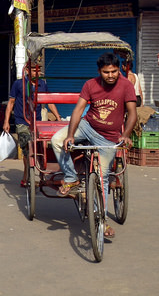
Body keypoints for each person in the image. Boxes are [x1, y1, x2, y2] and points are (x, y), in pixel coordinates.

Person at [51, 52, 138, 234]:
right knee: (57, 140)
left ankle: (102, 221)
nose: (111, 75)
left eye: (114, 71)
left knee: (102, 177)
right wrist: (70, 134)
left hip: (109, 137)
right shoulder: (91, 84)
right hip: (88, 125)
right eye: (106, 72)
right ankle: (71, 178)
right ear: (100, 71)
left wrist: (126, 134)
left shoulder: (126, 86)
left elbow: (132, 113)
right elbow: (78, 109)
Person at [2, 63, 60, 186]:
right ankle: (26, 175)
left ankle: (39, 172)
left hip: (37, 122)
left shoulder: (42, 84)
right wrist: (6, 121)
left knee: (40, 149)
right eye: (34, 70)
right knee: (27, 149)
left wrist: (59, 118)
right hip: (22, 122)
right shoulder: (18, 84)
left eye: (38, 70)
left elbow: (50, 102)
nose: (36, 73)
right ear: (27, 70)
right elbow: (11, 103)